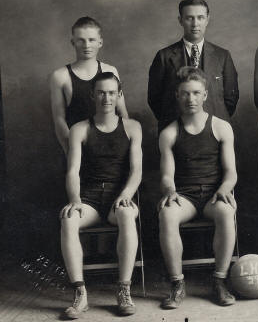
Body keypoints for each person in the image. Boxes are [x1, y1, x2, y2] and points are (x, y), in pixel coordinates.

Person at [60, 72, 142, 319]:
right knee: (68, 219)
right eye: (101, 93)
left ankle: (124, 290)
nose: (106, 98)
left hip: (120, 197)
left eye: (111, 93)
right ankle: (80, 293)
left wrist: (126, 194)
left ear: (119, 95)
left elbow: (136, 170)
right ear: (92, 95)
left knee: (127, 215)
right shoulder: (79, 129)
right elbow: (73, 171)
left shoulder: (132, 127)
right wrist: (75, 199)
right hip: (90, 198)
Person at [158, 66, 237, 308]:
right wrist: (170, 192)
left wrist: (224, 189)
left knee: (226, 211)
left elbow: (231, 172)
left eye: (195, 93)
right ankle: (177, 284)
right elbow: (166, 175)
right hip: (186, 197)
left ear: (204, 95)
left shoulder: (221, 127)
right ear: (177, 96)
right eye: (185, 93)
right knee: (167, 213)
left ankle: (220, 281)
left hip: (214, 195)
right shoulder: (169, 132)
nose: (190, 99)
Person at [148, 0, 239, 133]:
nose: (195, 23)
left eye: (200, 17)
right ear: (180, 20)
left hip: (214, 130)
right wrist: (172, 120)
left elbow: (231, 98)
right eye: (189, 18)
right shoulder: (164, 57)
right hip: (176, 130)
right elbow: (154, 98)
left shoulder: (222, 56)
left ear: (207, 19)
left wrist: (215, 119)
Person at [50, 16, 128, 156]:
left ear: (100, 42)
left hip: (111, 149)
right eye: (81, 40)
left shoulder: (110, 71)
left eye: (91, 40)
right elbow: (59, 119)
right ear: (73, 42)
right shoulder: (60, 76)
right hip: (78, 150)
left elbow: (122, 111)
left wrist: (125, 146)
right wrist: (72, 152)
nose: (86, 45)